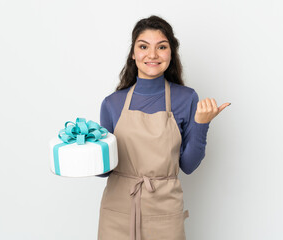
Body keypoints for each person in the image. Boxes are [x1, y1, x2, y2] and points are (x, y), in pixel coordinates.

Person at [97, 15, 230, 240]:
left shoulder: (186, 98)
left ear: (171, 52)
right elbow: (105, 171)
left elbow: (188, 165)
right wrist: (86, 150)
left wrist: (202, 124)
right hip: (118, 213)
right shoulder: (112, 103)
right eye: (143, 46)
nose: (152, 54)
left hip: (165, 212)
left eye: (161, 47)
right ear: (133, 53)